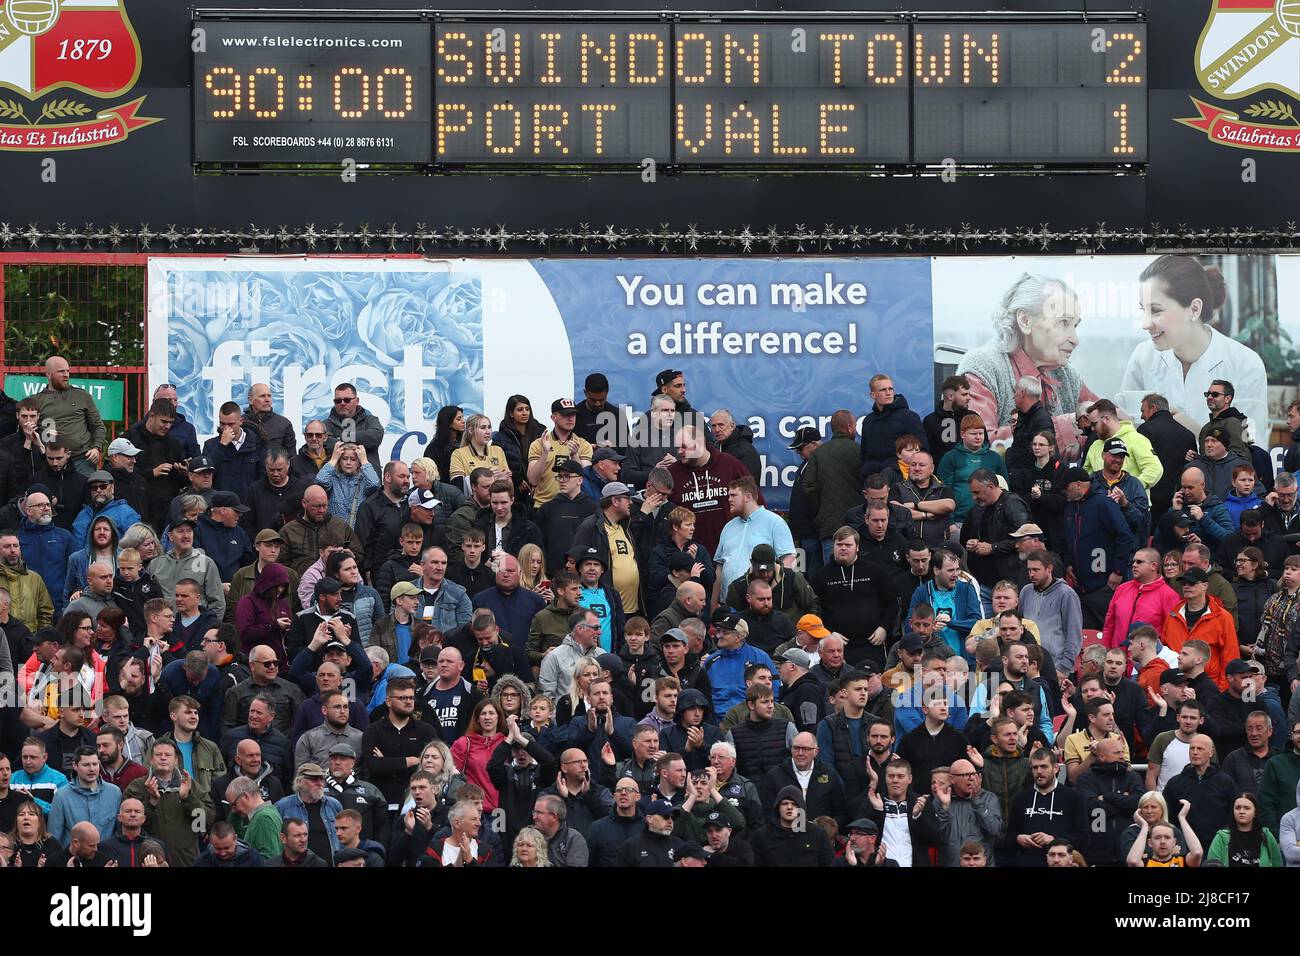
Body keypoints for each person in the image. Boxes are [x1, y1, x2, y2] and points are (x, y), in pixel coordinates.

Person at [1121, 255, 1267, 435]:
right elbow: (1126, 435)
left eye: (1156, 310)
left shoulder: (1245, 364)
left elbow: (1252, 449)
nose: (1145, 323)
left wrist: (1199, 434)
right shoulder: (1143, 357)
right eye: (1143, 310)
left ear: (1194, 309)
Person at [957, 273, 1098, 458]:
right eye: (1063, 322)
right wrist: (1066, 427)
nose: (1075, 339)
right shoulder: (983, 368)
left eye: (1075, 326)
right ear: (1024, 320)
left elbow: (1102, 416)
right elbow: (979, 445)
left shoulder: (1066, 374)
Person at [1062, 466, 1137, 629]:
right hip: (1080, 586)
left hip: (1103, 585)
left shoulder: (1104, 503)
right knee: (1088, 637)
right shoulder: (1070, 508)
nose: (1063, 492)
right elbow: (1068, 539)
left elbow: (1124, 536)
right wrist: (1068, 563)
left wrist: (1118, 571)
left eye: (1065, 487)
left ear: (1077, 484)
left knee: (1109, 630)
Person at [1163, 567, 1240, 691]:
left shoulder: (1223, 617)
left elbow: (1230, 658)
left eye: (1192, 583)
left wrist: (1220, 691)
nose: (1186, 587)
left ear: (1205, 586)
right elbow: (1164, 650)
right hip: (1176, 686)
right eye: (1184, 583)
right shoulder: (1173, 615)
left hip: (1208, 686)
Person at [33, 356, 106, 476]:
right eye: (61, 371)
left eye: (67, 371)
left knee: (87, 493)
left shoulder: (82, 396)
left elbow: (98, 426)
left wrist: (96, 448)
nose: (66, 375)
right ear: (48, 374)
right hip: (52, 461)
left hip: (82, 460)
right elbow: (29, 432)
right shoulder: (36, 401)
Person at [1162, 733, 1237, 849]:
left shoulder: (1225, 782)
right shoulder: (1175, 783)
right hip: (1183, 847)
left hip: (1217, 846)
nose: (1195, 752)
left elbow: (1233, 814)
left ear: (1211, 753)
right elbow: (1166, 816)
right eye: (1192, 748)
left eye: (1200, 749)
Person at [1138, 393, 1200, 525]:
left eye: (1143, 411)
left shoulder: (1144, 430)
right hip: (1176, 500)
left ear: (1153, 408)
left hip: (1150, 499)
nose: (1141, 416)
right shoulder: (1188, 435)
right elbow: (1191, 467)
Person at [937, 415, 1009, 527]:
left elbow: (1004, 489)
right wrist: (950, 522)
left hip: (991, 519)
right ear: (962, 434)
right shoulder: (950, 457)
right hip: (958, 521)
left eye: (981, 433)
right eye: (973, 434)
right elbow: (943, 491)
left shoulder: (995, 458)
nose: (978, 437)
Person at [1103, 548, 1181, 650]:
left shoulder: (1169, 595)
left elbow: (1173, 634)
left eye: (1139, 562)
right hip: (1118, 660)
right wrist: (1106, 652)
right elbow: (1109, 625)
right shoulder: (1122, 589)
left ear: (1153, 566)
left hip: (1148, 662)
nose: (1134, 565)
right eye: (1133, 562)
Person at [932, 757, 1003, 867]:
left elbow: (994, 830)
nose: (971, 779)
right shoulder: (941, 799)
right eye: (966, 775)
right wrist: (944, 808)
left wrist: (977, 802)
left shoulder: (988, 798)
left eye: (973, 774)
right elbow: (936, 836)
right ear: (952, 779)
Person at [750, 786, 835, 866]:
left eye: (794, 804)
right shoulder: (762, 836)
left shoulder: (817, 834)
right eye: (785, 803)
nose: (789, 807)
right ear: (777, 807)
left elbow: (829, 863)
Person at [1205, 791, 1284, 866]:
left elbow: (1278, 863)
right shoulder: (1221, 838)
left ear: (1255, 813)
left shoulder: (1267, 836)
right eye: (1238, 808)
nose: (1241, 811)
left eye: (1247, 808)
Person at [530, 792, 589, 867]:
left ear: (554, 816)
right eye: (534, 812)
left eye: (538, 813)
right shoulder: (529, 838)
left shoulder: (573, 839)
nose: (534, 817)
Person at [925, 374, 971, 462]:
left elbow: (985, 446)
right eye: (964, 394)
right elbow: (926, 453)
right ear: (950, 396)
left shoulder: (973, 418)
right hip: (940, 473)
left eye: (969, 394)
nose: (969, 398)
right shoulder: (930, 421)